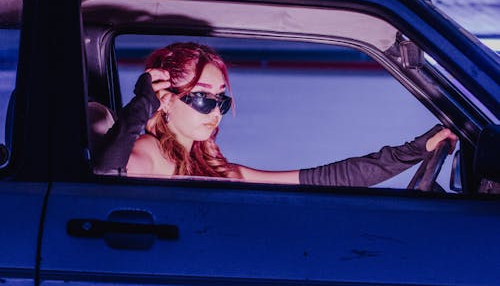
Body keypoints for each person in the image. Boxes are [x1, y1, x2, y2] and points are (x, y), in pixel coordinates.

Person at [93, 41, 457, 186]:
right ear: (166, 100)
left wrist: (413, 151)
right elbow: (103, 181)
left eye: (222, 100)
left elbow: (322, 179)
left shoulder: (213, 168)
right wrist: (140, 107)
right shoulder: (149, 153)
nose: (216, 112)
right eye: (202, 98)